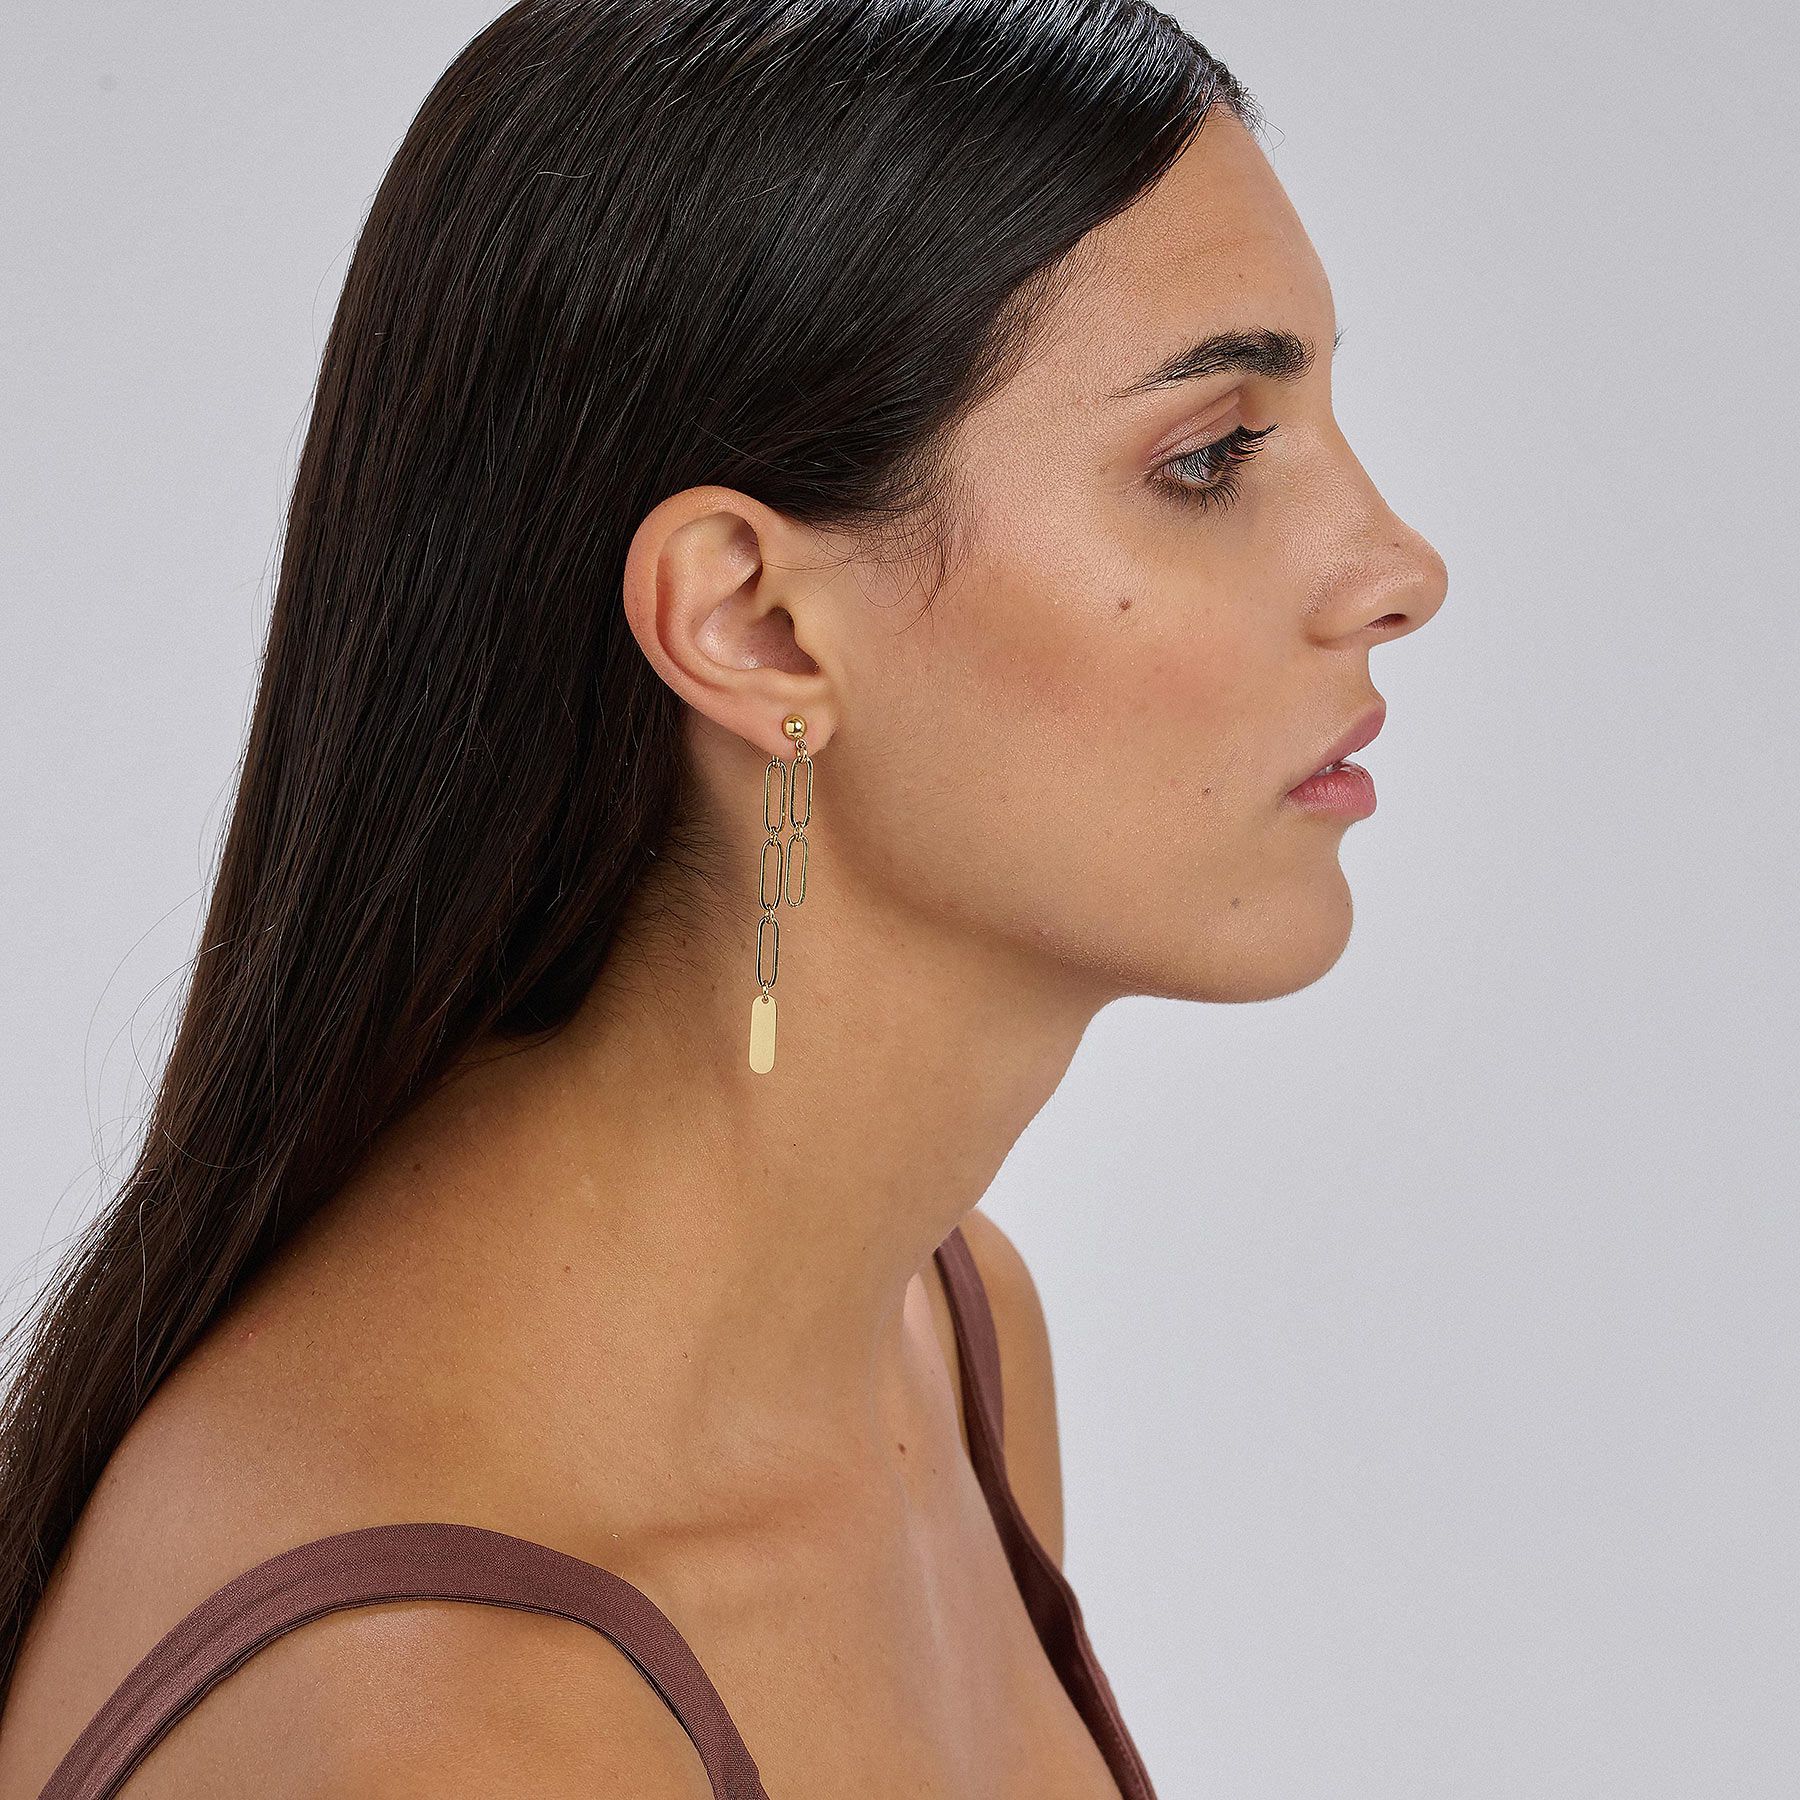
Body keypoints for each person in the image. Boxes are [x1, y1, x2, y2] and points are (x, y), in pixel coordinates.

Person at [0, 1, 1447, 1793]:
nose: (1399, 567)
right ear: (753, 624)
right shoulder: (457, 1720)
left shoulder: (945, 1336)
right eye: (1209, 458)